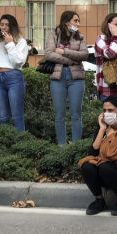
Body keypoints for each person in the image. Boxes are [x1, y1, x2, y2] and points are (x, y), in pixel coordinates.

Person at [44, 11, 87, 145]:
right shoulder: (54, 34)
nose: (78, 24)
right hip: (58, 78)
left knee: (76, 114)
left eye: (78, 21)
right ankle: (61, 146)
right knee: (59, 115)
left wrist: (64, 52)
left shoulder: (80, 37)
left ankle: (76, 146)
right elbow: (49, 54)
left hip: (77, 78)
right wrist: (71, 60)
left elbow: (84, 55)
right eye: (75, 21)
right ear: (67, 21)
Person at [0, 14, 29, 132]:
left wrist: (10, 44)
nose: (3, 27)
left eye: (7, 25)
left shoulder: (21, 41)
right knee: (3, 116)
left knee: (16, 116)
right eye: (1, 25)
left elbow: (18, 62)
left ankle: (20, 144)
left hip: (14, 77)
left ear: (12, 27)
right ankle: (5, 146)